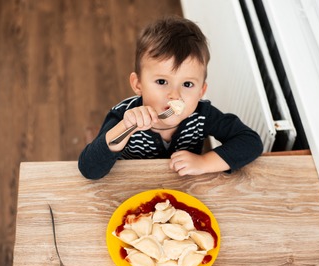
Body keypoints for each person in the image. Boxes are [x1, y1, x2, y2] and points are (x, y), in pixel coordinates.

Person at [78, 16, 263, 179]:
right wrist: (125, 128)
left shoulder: (202, 114)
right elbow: (89, 169)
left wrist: (204, 162)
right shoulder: (123, 116)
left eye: (188, 84)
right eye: (161, 81)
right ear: (138, 84)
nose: (174, 95)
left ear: (201, 91)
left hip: (183, 188)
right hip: (131, 189)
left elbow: (250, 142)